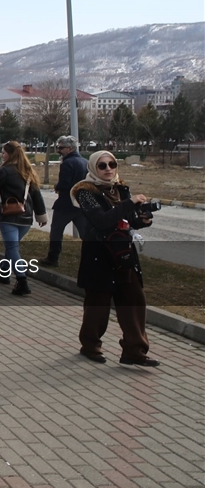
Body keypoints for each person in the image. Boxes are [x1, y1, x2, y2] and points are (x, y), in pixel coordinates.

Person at [71, 151, 158, 366]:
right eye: (102, 166)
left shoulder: (120, 188)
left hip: (123, 254)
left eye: (112, 164)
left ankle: (134, 350)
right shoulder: (85, 191)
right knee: (97, 305)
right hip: (99, 256)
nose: (108, 169)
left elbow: (126, 220)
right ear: (93, 168)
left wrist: (141, 221)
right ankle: (90, 345)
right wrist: (128, 204)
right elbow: (101, 220)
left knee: (134, 300)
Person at [0, 141, 48, 296]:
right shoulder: (28, 170)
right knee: (12, 247)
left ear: (10, 154)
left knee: (12, 248)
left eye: (3, 153)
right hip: (26, 216)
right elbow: (36, 195)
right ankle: (4, 274)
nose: (2, 156)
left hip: (9, 215)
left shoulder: (4, 171)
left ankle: (22, 281)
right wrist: (41, 215)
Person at [44, 135, 89, 266]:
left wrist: (57, 187)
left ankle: (53, 257)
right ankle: (94, 256)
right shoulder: (85, 162)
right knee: (85, 234)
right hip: (81, 204)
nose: (58, 150)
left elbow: (65, 183)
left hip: (65, 204)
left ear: (70, 149)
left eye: (61, 147)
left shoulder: (67, 163)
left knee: (56, 231)